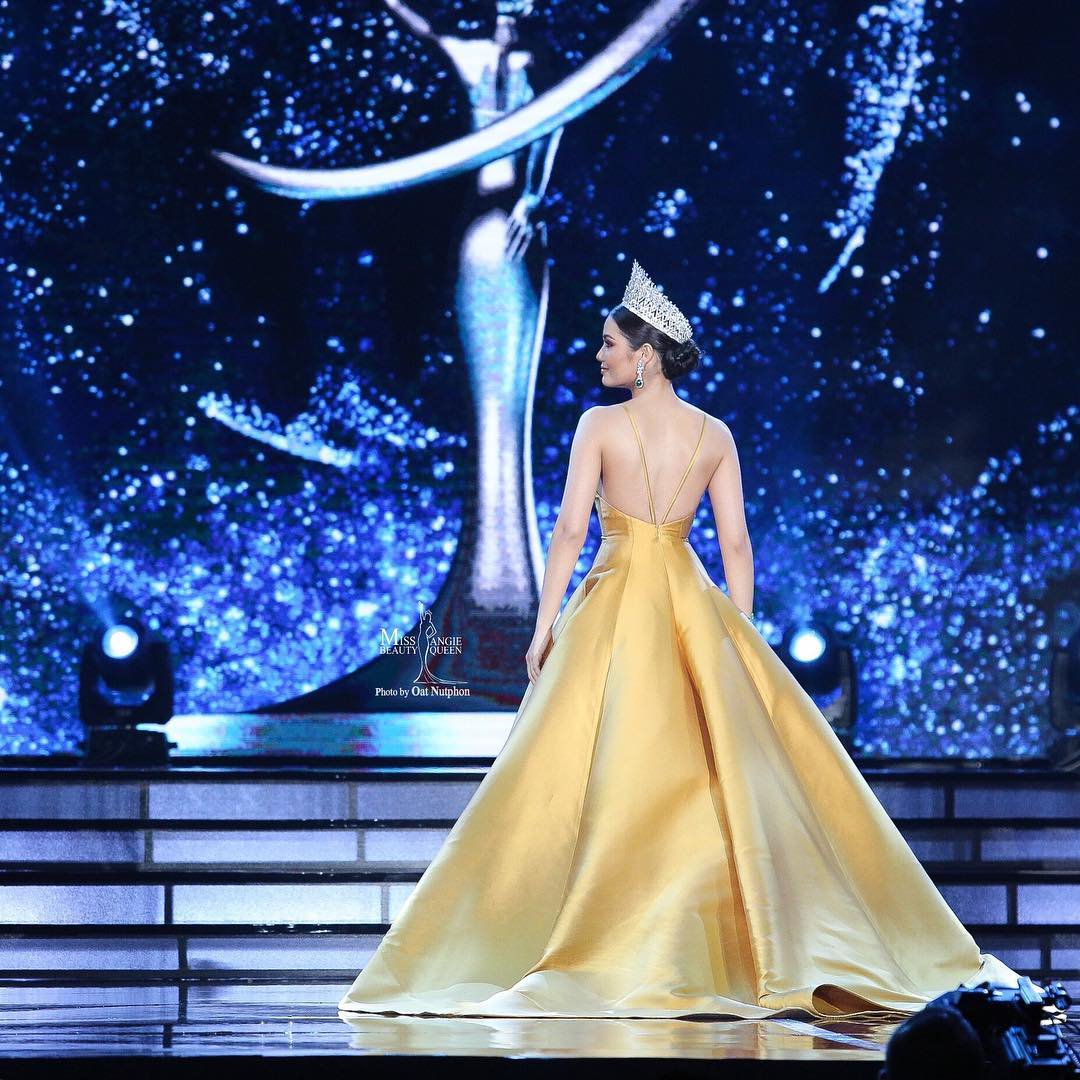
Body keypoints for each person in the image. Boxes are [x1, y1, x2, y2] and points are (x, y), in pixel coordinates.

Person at [338, 259, 1020, 1020]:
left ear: (645, 354)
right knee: (705, 780)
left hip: (616, 601)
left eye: (609, 343)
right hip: (691, 603)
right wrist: (739, 634)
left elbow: (568, 532)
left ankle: (602, 939)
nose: (598, 354)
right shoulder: (713, 433)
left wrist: (543, 625)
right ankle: (710, 950)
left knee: (598, 767)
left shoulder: (599, 425)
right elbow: (737, 545)